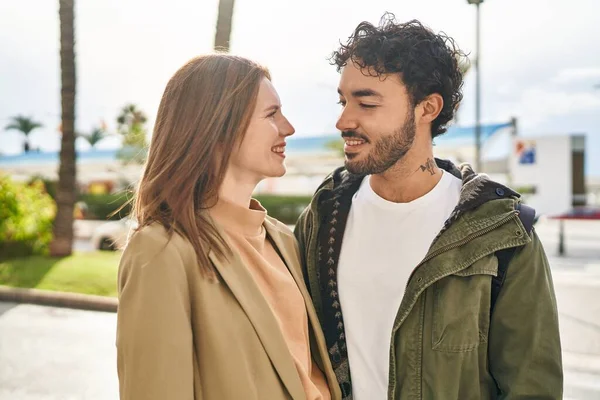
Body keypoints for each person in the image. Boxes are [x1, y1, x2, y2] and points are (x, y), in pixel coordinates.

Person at [294, 14, 562, 400]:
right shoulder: (324, 217)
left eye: (366, 103)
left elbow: (532, 388)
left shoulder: (502, 233)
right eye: (343, 101)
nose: (343, 120)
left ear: (427, 108)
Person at [116, 54, 340, 400]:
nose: (289, 128)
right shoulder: (161, 250)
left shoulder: (282, 239)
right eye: (271, 114)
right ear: (219, 125)